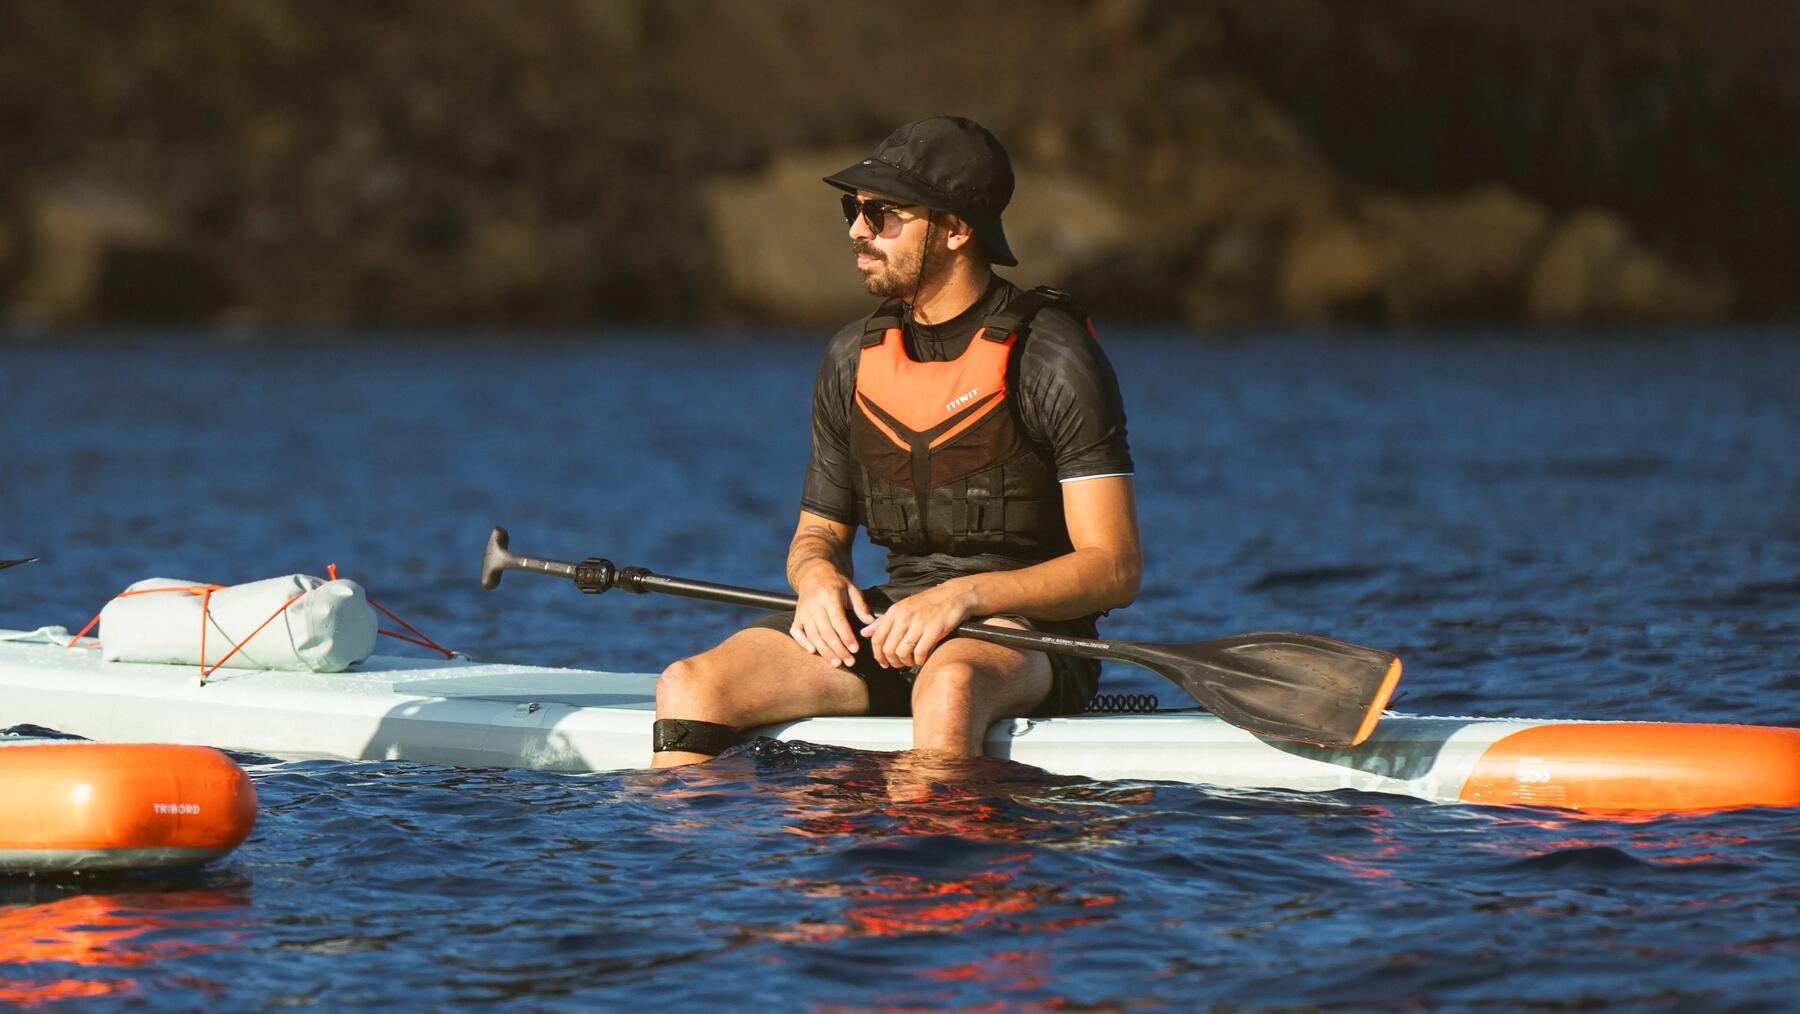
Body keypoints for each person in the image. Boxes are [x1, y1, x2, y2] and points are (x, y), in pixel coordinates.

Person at [652, 116, 1140, 767]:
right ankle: (682, 864)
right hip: (892, 629)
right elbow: (817, 537)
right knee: (689, 686)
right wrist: (818, 578)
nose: (857, 229)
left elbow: (1114, 567)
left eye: (883, 213)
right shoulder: (852, 358)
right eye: (853, 208)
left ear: (958, 229)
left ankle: (927, 864)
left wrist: (963, 597)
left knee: (949, 686)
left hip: (1032, 642)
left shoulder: (1053, 355)